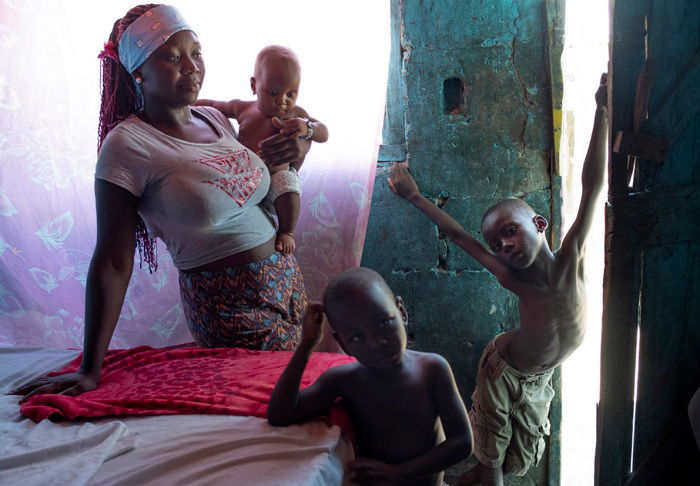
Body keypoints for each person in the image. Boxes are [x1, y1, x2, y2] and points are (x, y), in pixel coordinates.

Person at [11, 4, 311, 401]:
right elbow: (113, 260)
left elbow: (255, 191)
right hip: (229, 309)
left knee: (311, 406)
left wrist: (302, 135)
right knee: (283, 417)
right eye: (172, 57)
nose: (191, 67)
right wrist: (89, 369)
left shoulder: (216, 121)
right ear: (138, 72)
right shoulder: (128, 144)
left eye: (196, 53)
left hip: (287, 289)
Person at [389, 74, 608, 485]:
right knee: (492, 468)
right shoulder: (512, 278)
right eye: (495, 241)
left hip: (540, 377)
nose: (502, 245)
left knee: (512, 465)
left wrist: (602, 112)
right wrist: (414, 195)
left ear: (539, 224)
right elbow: (458, 236)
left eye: (510, 230)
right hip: (502, 371)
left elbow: (593, 186)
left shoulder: (570, 259)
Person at [267, 267, 473, 486]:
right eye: (357, 337)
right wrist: (306, 344)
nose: (376, 343)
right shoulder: (343, 380)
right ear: (343, 345)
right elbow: (281, 414)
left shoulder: (433, 369)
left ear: (401, 311)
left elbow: (462, 442)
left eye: (383, 323)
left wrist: (399, 473)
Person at [196, 45, 328, 254]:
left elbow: (324, 132)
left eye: (291, 93)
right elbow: (214, 104)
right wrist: (190, 105)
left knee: (289, 186)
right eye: (274, 92)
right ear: (254, 85)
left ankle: (287, 231)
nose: (283, 101)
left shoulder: (296, 114)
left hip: (277, 176)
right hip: (247, 177)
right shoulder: (244, 108)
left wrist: (307, 128)